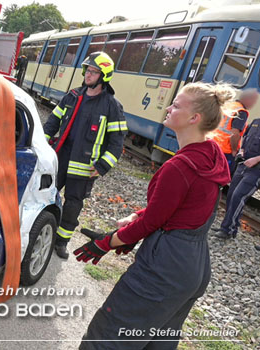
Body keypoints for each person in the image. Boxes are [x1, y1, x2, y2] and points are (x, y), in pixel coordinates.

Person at [74, 82, 232, 349]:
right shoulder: (211, 154)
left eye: (177, 105)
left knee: (107, 338)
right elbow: (178, 208)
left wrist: (106, 242)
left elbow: (154, 222)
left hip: (163, 269)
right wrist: (136, 217)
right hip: (193, 267)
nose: (168, 108)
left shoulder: (179, 166)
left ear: (194, 118)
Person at [43, 52, 127, 259]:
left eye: (93, 72)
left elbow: (117, 142)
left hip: (84, 167)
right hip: (59, 158)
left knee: (73, 205)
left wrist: (101, 167)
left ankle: (61, 242)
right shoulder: (72, 96)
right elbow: (53, 122)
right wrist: (42, 144)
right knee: (45, 194)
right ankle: (39, 229)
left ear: (103, 76)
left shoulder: (112, 107)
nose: (87, 75)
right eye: (87, 70)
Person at [214, 116, 260, 240]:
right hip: (243, 164)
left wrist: (256, 159)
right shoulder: (256, 122)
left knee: (238, 196)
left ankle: (227, 230)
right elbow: (245, 137)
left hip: (256, 170)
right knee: (231, 195)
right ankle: (230, 227)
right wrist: (242, 150)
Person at [211, 88, 259, 175]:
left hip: (214, 144)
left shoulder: (229, 105)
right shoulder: (241, 112)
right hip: (226, 150)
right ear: (247, 100)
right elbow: (235, 134)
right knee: (222, 176)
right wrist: (234, 151)